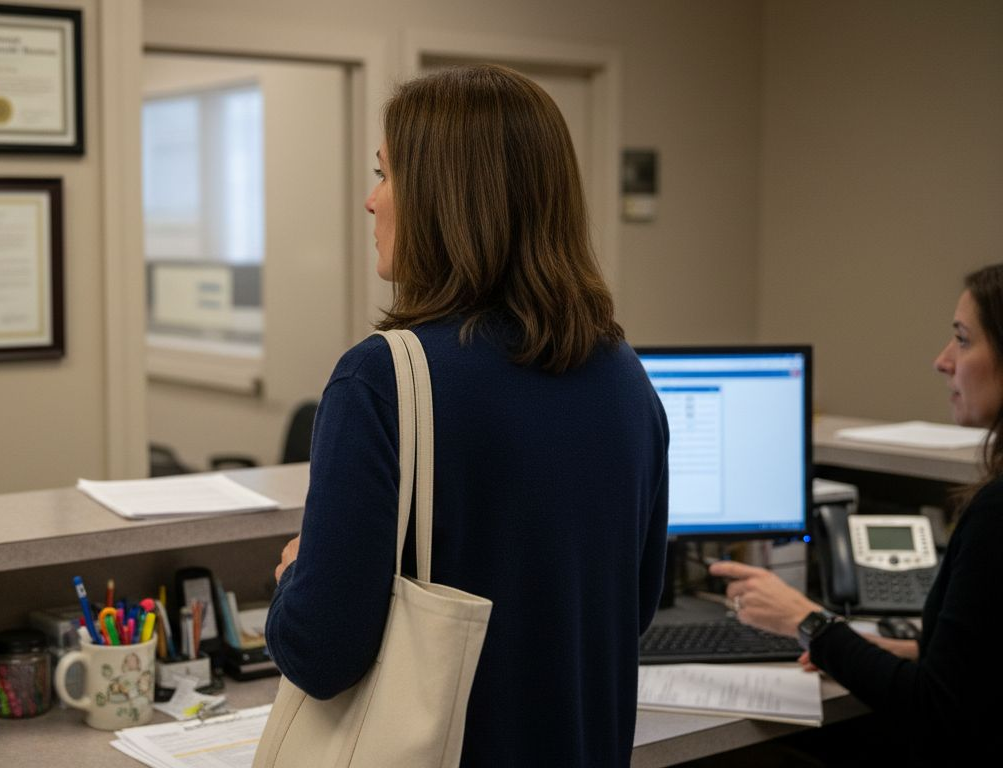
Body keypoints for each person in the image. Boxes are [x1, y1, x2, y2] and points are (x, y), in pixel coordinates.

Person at [263, 64, 669, 766]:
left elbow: (320, 653)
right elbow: (629, 611)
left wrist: (298, 576)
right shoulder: (624, 376)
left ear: (444, 198)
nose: (371, 201)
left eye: (385, 175)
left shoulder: (382, 379)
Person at [711, 264, 1003, 764]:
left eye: (962, 339)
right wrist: (889, 650)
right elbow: (979, 674)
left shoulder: (995, 514)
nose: (942, 361)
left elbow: (935, 710)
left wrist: (808, 620)